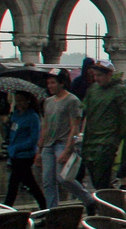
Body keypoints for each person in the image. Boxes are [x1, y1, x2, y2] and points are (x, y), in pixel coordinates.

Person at [80, 60, 126, 190]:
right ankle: (121, 206)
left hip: (108, 140)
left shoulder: (120, 91)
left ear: (109, 74)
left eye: (100, 75)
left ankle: (110, 206)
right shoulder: (93, 89)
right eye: (94, 75)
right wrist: (81, 134)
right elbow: (86, 113)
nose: (96, 79)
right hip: (90, 140)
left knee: (101, 178)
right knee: (96, 179)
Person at [37, 70, 93, 209]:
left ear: (62, 83)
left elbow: (75, 126)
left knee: (63, 178)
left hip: (63, 143)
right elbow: (45, 125)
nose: (50, 86)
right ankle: (52, 211)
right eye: (48, 83)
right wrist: (39, 148)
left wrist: (68, 149)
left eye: (53, 83)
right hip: (48, 145)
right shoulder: (48, 101)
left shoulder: (72, 100)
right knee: (47, 181)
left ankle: (88, 199)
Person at [4, 92, 46, 208]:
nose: (19, 103)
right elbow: (11, 133)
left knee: (16, 183)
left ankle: (7, 206)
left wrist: (17, 148)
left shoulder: (33, 117)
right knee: (26, 183)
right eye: (17, 100)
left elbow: (33, 139)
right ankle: (43, 205)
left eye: (21, 100)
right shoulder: (15, 115)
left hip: (25, 155)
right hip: (14, 154)